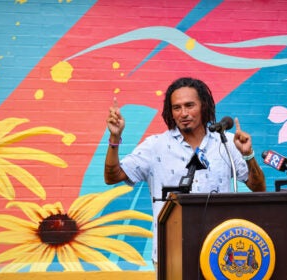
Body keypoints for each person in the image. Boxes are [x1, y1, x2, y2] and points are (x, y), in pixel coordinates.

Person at [104, 77, 266, 268]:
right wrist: (115, 137)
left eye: (189, 106)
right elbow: (112, 176)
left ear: (203, 106)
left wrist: (248, 155)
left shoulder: (227, 143)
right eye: (177, 108)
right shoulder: (156, 146)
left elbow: (258, 187)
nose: (183, 113)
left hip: (220, 251)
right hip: (172, 254)